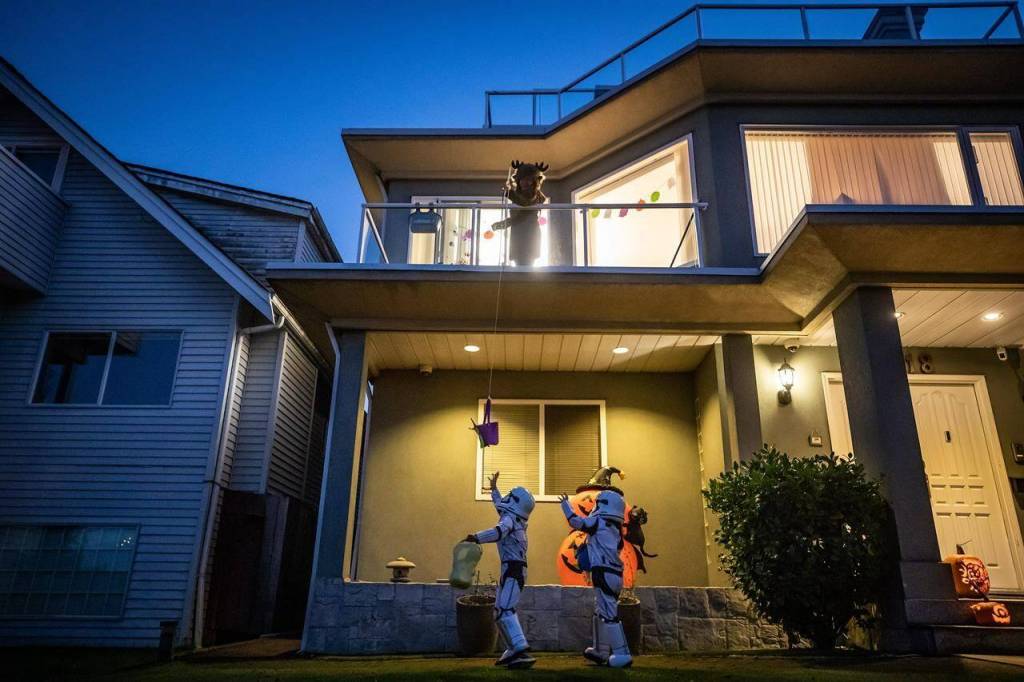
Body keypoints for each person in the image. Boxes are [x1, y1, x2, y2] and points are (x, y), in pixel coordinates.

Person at [464, 471, 536, 668]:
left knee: (505, 609)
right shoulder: (514, 519)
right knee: (500, 610)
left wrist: (476, 537)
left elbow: (498, 531)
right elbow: (502, 508)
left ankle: (519, 647)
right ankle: (514, 649)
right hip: (512, 569)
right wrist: (494, 489)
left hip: (514, 569)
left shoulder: (510, 521)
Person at [558, 489, 633, 668]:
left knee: (608, 613)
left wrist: (566, 506)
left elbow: (577, 522)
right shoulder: (616, 531)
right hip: (615, 574)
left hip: (604, 572)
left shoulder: (599, 521)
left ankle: (622, 654)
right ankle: (600, 651)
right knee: (601, 612)